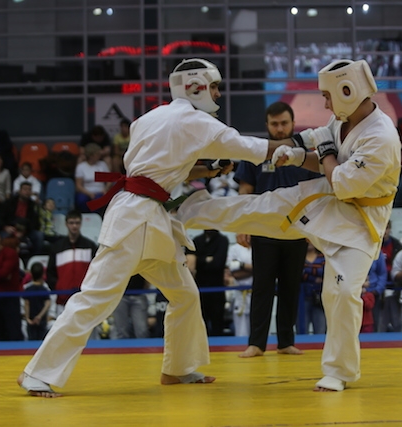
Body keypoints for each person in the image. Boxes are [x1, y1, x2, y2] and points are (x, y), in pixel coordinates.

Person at [17, 57, 293, 397]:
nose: (218, 94)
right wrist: (302, 145)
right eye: (214, 87)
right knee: (96, 298)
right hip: (135, 218)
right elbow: (251, 148)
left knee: (184, 295)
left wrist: (206, 171)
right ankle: (37, 374)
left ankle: (179, 368)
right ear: (195, 87)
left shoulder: (147, 119)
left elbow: (159, 170)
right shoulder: (195, 121)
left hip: (149, 216)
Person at [178, 58, 401, 391]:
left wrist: (322, 151)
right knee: (260, 207)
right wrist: (297, 155)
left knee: (341, 293)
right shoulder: (343, 120)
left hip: (360, 221)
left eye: (327, 95)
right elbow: (322, 154)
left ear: (348, 91)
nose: (325, 103)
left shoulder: (381, 137)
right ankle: (187, 210)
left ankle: (339, 371)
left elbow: (342, 181)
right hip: (326, 197)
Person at [233, 101, 321, 358]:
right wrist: (242, 225)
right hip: (264, 229)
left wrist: (315, 228)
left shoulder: (305, 154)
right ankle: (256, 343)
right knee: (262, 286)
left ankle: (285, 341)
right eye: (275, 124)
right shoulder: (256, 152)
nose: (280, 129)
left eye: (284, 123)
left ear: (293, 124)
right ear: (267, 125)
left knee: (290, 287)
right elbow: (245, 190)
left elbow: (316, 193)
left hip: (297, 230)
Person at [45, 210, 98, 321]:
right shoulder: (57, 247)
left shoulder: (90, 246)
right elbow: (50, 272)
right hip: (63, 300)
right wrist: (59, 287)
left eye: (77, 223)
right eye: (71, 223)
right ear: (66, 224)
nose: (74, 226)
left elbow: (97, 271)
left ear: (81, 223)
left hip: (85, 300)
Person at [186, 230, 229, 336]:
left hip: (217, 290)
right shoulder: (197, 240)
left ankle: (219, 345)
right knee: (200, 324)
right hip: (200, 289)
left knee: (217, 324)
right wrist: (207, 259)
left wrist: (201, 260)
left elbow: (218, 263)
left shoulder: (222, 240)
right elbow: (191, 263)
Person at [0, 182, 44, 255]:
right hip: (10, 228)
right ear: (19, 191)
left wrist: (24, 231)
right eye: (25, 189)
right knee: (2, 237)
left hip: (26, 230)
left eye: (29, 190)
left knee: (39, 235)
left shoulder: (33, 205)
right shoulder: (9, 202)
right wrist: (5, 227)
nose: (27, 192)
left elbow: (36, 223)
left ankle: (35, 257)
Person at [378, 221, 402, 332]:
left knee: (397, 323)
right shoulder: (371, 245)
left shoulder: (397, 246)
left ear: (390, 229)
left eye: (386, 228)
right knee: (380, 324)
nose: (384, 232)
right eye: (382, 228)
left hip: (395, 287)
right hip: (377, 289)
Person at [225, 242, 253, 337]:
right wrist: (256, 270)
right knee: (241, 332)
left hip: (257, 294)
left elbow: (266, 269)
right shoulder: (235, 249)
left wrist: (241, 265)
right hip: (240, 294)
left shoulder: (262, 247)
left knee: (260, 331)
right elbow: (235, 274)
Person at [75, 143, 112, 213]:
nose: (99, 155)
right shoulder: (81, 167)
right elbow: (78, 185)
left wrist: (106, 189)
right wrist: (89, 193)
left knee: (99, 200)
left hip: (100, 191)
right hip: (86, 192)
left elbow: (109, 180)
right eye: (97, 154)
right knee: (81, 200)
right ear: (91, 155)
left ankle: (96, 217)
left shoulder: (102, 164)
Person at [300, 240, 326, 334]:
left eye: (311, 239)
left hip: (319, 298)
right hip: (302, 298)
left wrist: (307, 271)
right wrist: (315, 277)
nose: (309, 242)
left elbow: (326, 273)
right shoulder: (299, 257)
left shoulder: (323, 257)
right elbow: (298, 273)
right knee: (302, 330)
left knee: (320, 330)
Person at [112, 274, 150, 339]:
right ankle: (122, 345)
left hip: (139, 293)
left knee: (142, 330)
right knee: (121, 330)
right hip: (120, 295)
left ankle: (144, 346)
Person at [22, 262, 51, 341]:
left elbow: (27, 304)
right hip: (41, 321)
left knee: (32, 341)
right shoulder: (44, 290)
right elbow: (47, 304)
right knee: (41, 341)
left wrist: (27, 318)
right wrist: (39, 316)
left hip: (31, 321)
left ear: (31, 274)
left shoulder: (28, 289)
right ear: (42, 274)